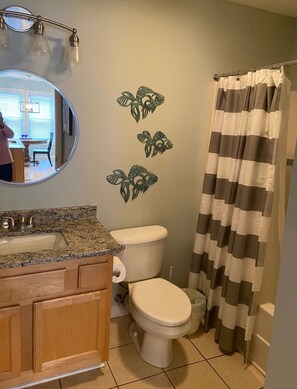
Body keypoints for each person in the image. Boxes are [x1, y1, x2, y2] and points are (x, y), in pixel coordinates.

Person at [0, 112, 15, 182]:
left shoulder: (3, 127)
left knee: (7, 183)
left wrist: (2, 125)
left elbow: (11, 135)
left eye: (0, 117)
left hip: (5, 160)